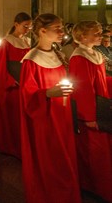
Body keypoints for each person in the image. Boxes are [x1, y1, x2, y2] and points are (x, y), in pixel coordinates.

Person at [19, 13, 81, 203]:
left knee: (65, 157)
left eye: (62, 27)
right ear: (42, 31)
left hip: (62, 116)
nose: (62, 31)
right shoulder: (31, 60)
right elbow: (27, 97)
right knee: (50, 160)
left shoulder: (58, 54)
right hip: (45, 121)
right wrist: (46, 93)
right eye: (58, 28)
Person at [69, 21, 112, 202]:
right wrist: (88, 117)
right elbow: (82, 89)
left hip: (100, 106)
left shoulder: (94, 54)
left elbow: (101, 81)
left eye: (100, 32)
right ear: (82, 37)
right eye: (96, 33)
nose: (100, 35)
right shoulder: (79, 57)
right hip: (91, 113)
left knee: (103, 151)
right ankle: (93, 187)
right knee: (93, 153)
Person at [0, 12, 32, 159]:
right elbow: (0, 66)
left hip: (24, 84)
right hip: (12, 86)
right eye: (25, 26)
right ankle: (10, 147)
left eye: (29, 26)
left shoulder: (27, 41)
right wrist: (10, 81)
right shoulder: (7, 42)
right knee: (12, 119)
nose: (27, 29)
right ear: (16, 24)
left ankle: (22, 146)